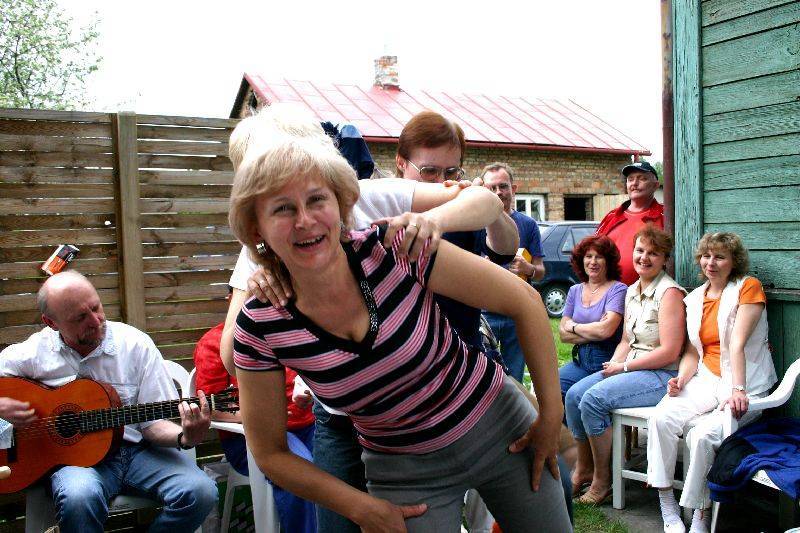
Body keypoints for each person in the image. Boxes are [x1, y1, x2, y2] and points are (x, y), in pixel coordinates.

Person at [228, 107, 570, 532]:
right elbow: (269, 453)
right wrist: (362, 507)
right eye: (282, 208)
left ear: (341, 203)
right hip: (405, 472)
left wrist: (550, 415)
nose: (305, 220)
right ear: (256, 229)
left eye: (317, 200)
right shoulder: (260, 324)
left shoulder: (392, 247)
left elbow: (525, 300)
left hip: (499, 427)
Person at [0, 271, 217, 533]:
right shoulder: (34, 352)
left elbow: (153, 425)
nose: (95, 321)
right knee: (79, 498)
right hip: (75, 463)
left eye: (96, 308)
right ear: (51, 323)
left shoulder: (136, 345)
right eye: (80, 317)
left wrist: (186, 436)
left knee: (201, 492)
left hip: (140, 453)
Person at [646, 232, 776, 533]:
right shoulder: (694, 298)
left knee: (703, 435)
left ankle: (700, 513)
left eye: (719, 257)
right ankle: (667, 505)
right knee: (661, 418)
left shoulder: (748, 287)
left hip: (745, 382)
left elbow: (737, 344)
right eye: (706, 256)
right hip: (707, 377)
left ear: (734, 261)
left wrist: (739, 389)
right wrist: (682, 378)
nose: (711, 263)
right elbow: (693, 351)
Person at [564, 225, 686, 505]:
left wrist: (625, 368)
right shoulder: (631, 291)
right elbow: (627, 340)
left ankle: (602, 480)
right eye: (640, 250)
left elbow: (669, 352)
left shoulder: (670, 293)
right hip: (632, 367)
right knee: (573, 396)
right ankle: (584, 468)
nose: (644, 257)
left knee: (593, 399)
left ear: (665, 259)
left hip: (660, 375)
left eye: (653, 253)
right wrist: (615, 363)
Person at [193, 314, 316, 533]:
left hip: (308, 426)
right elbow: (209, 406)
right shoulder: (213, 342)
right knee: (299, 471)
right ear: (231, 300)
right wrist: (260, 415)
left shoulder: (288, 331)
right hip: (251, 438)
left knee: (342, 461)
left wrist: (309, 393)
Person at [480, 162, 545, 383]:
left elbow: (541, 271)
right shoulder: (475, 223)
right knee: (483, 377)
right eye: (492, 188)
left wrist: (529, 269)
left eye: (503, 186)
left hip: (517, 313)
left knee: (515, 378)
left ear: (513, 189)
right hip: (484, 313)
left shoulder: (528, 225)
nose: (498, 192)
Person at [558, 235, 627, 403]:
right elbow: (563, 335)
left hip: (606, 361)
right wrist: (596, 329)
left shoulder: (618, 289)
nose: (593, 262)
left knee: (577, 395)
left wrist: (573, 326)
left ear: (608, 261)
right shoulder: (575, 291)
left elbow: (605, 331)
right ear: (581, 260)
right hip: (580, 361)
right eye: (588, 256)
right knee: (551, 388)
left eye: (599, 257)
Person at [596, 161, 663, 285]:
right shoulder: (611, 217)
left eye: (642, 179)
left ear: (655, 185)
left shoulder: (665, 216)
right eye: (630, 179)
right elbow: (593, 251)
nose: (635, 183)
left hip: (649, 293)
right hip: (608, 292)